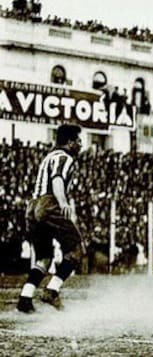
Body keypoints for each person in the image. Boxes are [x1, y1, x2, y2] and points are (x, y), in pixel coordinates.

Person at [17, 124, 84, 313]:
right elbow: (57, 178)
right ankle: (52, 291)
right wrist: (63, 201)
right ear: (70, 142)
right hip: (48, 204)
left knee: (44, 258)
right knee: (76, 250)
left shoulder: (49, 157)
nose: (80, 145)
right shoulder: (65, 157)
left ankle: (25, 298)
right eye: (78, 141)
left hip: (32, 207)